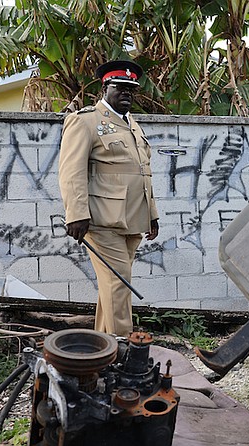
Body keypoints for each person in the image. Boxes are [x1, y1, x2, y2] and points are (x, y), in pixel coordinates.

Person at [58, 60, 159, 336]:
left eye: (131, 89)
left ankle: (103, 347)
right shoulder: (86, 121)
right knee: (118, 285)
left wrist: (152, 214)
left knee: (111, 287)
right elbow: (71, 170)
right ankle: (125, 351)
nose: (127, 93)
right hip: (101, 222)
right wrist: (76, 214)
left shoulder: (132, 125)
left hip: (132, 221)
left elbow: (143, 173)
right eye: (120, 87)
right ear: (105, 88)